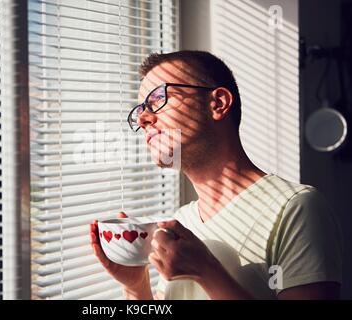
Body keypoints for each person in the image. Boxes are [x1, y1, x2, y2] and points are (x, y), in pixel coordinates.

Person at [89, 50, 343, 299]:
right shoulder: (182, 221)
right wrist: (136, 286)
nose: (143, 118)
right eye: (141, 109)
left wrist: (207, 271)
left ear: (218, 103)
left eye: (157, 99)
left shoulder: (296, 209)